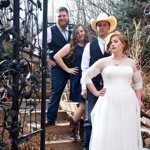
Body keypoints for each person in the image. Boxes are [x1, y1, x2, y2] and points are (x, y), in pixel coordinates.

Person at [83, 32, 144, 150]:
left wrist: (138, 100)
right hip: (108, 101)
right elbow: (86, 76)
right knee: (108, 130)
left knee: (126, 130)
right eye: (110, 42)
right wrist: (95, 92)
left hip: (128, 101)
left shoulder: (132, 63)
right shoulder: (103, 62)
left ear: (123, 44)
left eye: (116, 41)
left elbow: (138, 83)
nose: (112, 44)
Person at [81, 13, 117, 150]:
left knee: (109, 118)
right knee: (89, 120)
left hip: (111, 88)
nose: (102, 28)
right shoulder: (90, 46)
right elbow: (84, 68)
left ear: (109, 27)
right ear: (96, 28)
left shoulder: (114, 44)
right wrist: (84, 88)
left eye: (105, 25)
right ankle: (87, 147)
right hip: (92, 88)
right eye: (99, 25)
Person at [34, 7, 72, 125]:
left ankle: (76, 121)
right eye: (59, 16)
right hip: (57, 68)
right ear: (56, 19)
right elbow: (35, 42)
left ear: (68, 17)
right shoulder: (50, 31)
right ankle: (50, 119)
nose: (62, 18)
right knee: (56, 92)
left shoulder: (72, 32)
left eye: (64, 15)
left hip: (72, 67)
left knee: (77, 91)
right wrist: (45, 59)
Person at [54, 24, 89, 140]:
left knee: (84, 106)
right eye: (78, 32)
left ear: (85, 32)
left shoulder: (89, 46)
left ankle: (80, 132)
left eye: (82, 31)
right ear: (75, 35)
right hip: (78, 78)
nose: (80, 34)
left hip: (88, 78)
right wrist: (68, 69)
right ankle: (72, 130)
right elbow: (57, 56)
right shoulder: (71, 46)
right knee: (83, 106)